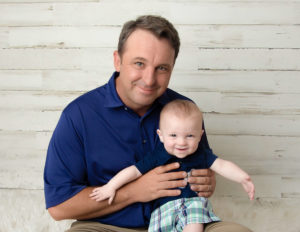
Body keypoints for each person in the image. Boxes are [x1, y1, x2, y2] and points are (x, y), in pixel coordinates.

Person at [44, 15, 253, 232]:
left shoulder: (184, 109)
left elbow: (205, 169)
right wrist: (135, 191)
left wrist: (208, 181)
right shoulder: (78, 115)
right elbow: (59, 207)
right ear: (117, 60)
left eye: (161, 68)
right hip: (106, 226)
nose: (150, 79)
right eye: (139, 63)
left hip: (183, 222)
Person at [89, 99, 255, 232]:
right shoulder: (159, 155)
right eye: (173, 135)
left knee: (194, 220)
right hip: (164, 209)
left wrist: (242, 177)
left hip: (190, 204)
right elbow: (133, 171)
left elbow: (222, 166)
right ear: (161, 136)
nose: (181, 142)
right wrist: (111, 187)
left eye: (190, 135)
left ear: (200, 136)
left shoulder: (201, 154)